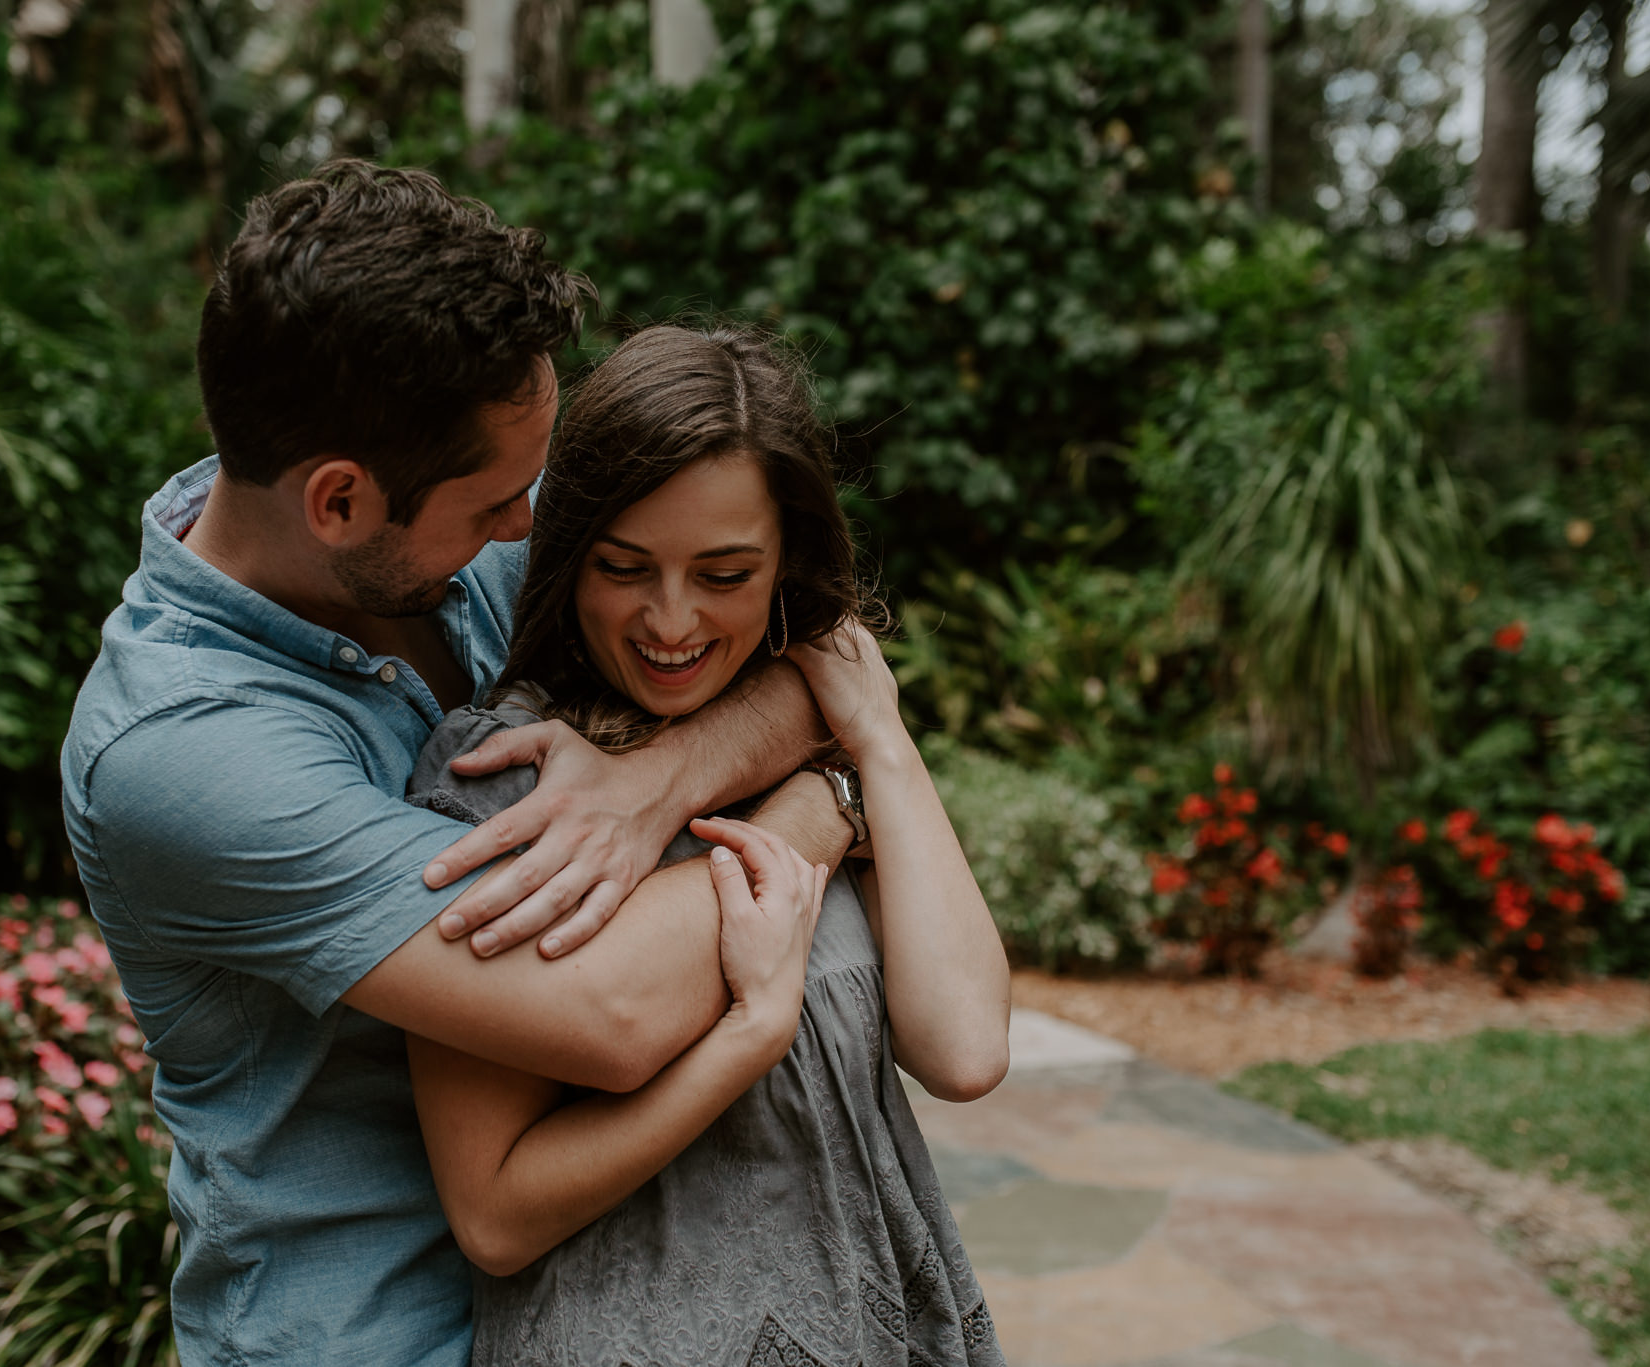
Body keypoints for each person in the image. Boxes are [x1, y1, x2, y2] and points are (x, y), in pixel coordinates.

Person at [60, 163, 850, 1367]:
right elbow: (611, 1011)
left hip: (598, 1310)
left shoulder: (432, 534)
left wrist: (665, 776)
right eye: (495, 502)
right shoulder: (181, 752)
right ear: (338, 499)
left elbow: (832, 650)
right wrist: (821, 805)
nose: (533, 525)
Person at [404, 324, 1015, 1366]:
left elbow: (960, 1045)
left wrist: (874, 738)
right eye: (624, 566)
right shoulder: (507, 780)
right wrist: (749, 1032)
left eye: (724, 572)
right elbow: (495, 1213)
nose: (671, 620)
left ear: (786, 565)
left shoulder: (814, 748)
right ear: (567, 553)